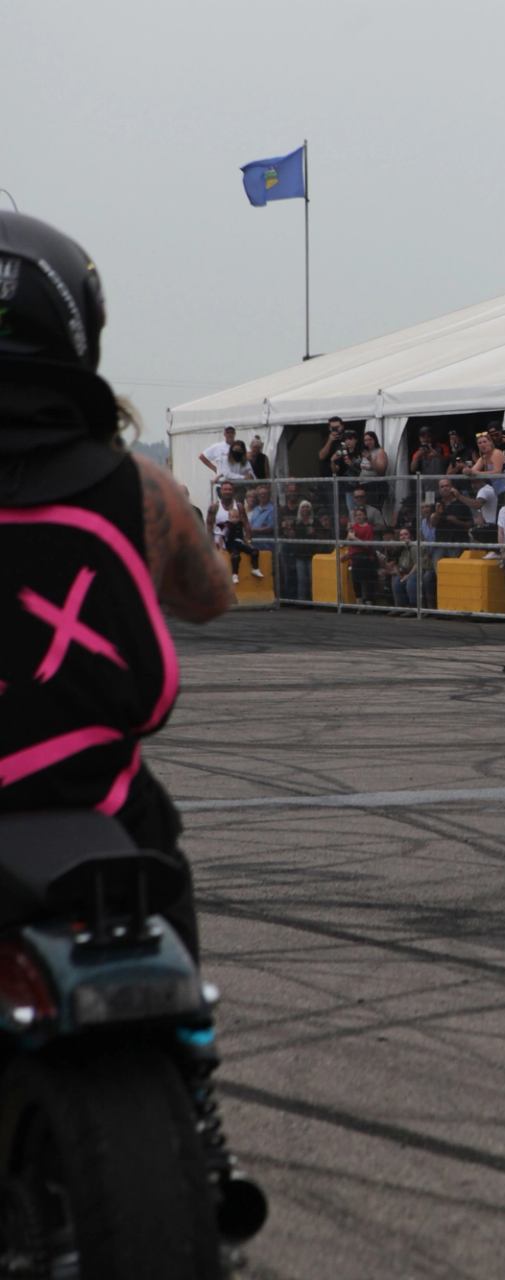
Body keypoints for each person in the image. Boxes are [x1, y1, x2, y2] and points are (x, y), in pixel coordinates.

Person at [0, 209, 234, 963]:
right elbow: (210, 597)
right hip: (96, 807)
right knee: (159, 886)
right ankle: (188, 1061)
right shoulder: (143, 490)